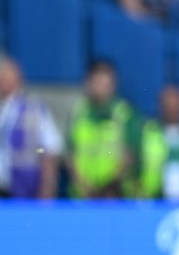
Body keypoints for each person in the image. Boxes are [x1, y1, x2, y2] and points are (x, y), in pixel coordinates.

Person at [67, 60, 139, 198]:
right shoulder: (78, 112)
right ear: (88, 83)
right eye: (96, 82)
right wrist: (84, 185)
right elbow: (70, 154)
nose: (100, 88)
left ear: (113, 85)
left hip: (114, 195)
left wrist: (108, 187)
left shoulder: (124, 114)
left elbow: (129, 155)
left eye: (105, 83)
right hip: (82, 196)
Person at [0, 58, 62, 199]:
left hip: (24, 190)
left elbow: (50, 150)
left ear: (19, 80)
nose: (5, 82)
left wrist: (47, 189)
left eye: (9, 77)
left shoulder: (34, 110)